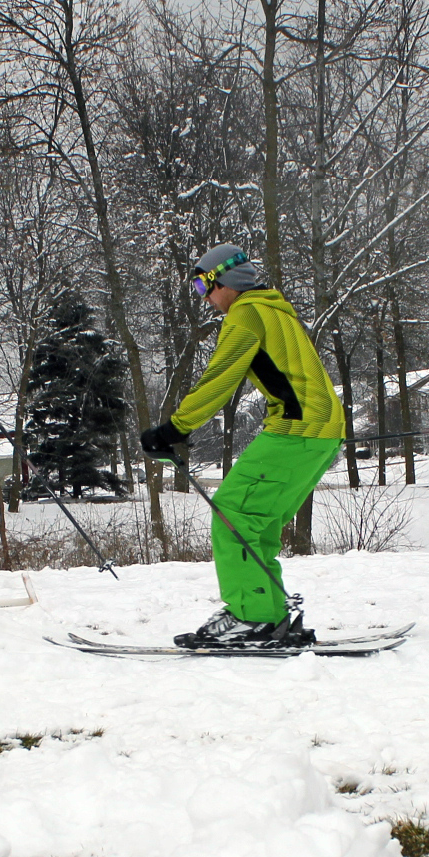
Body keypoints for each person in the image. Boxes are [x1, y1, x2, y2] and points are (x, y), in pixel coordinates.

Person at [136, 244, 345, 649]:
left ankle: (251, 619)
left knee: (232, 512)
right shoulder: (275, 310)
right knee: (257, 522)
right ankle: (267, 615)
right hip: (322, 431)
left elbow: (221, 376)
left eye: (203, 285)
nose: (205, 297)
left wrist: (175, 428)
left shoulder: (245, 313)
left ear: (224, 280)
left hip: (297, 430)